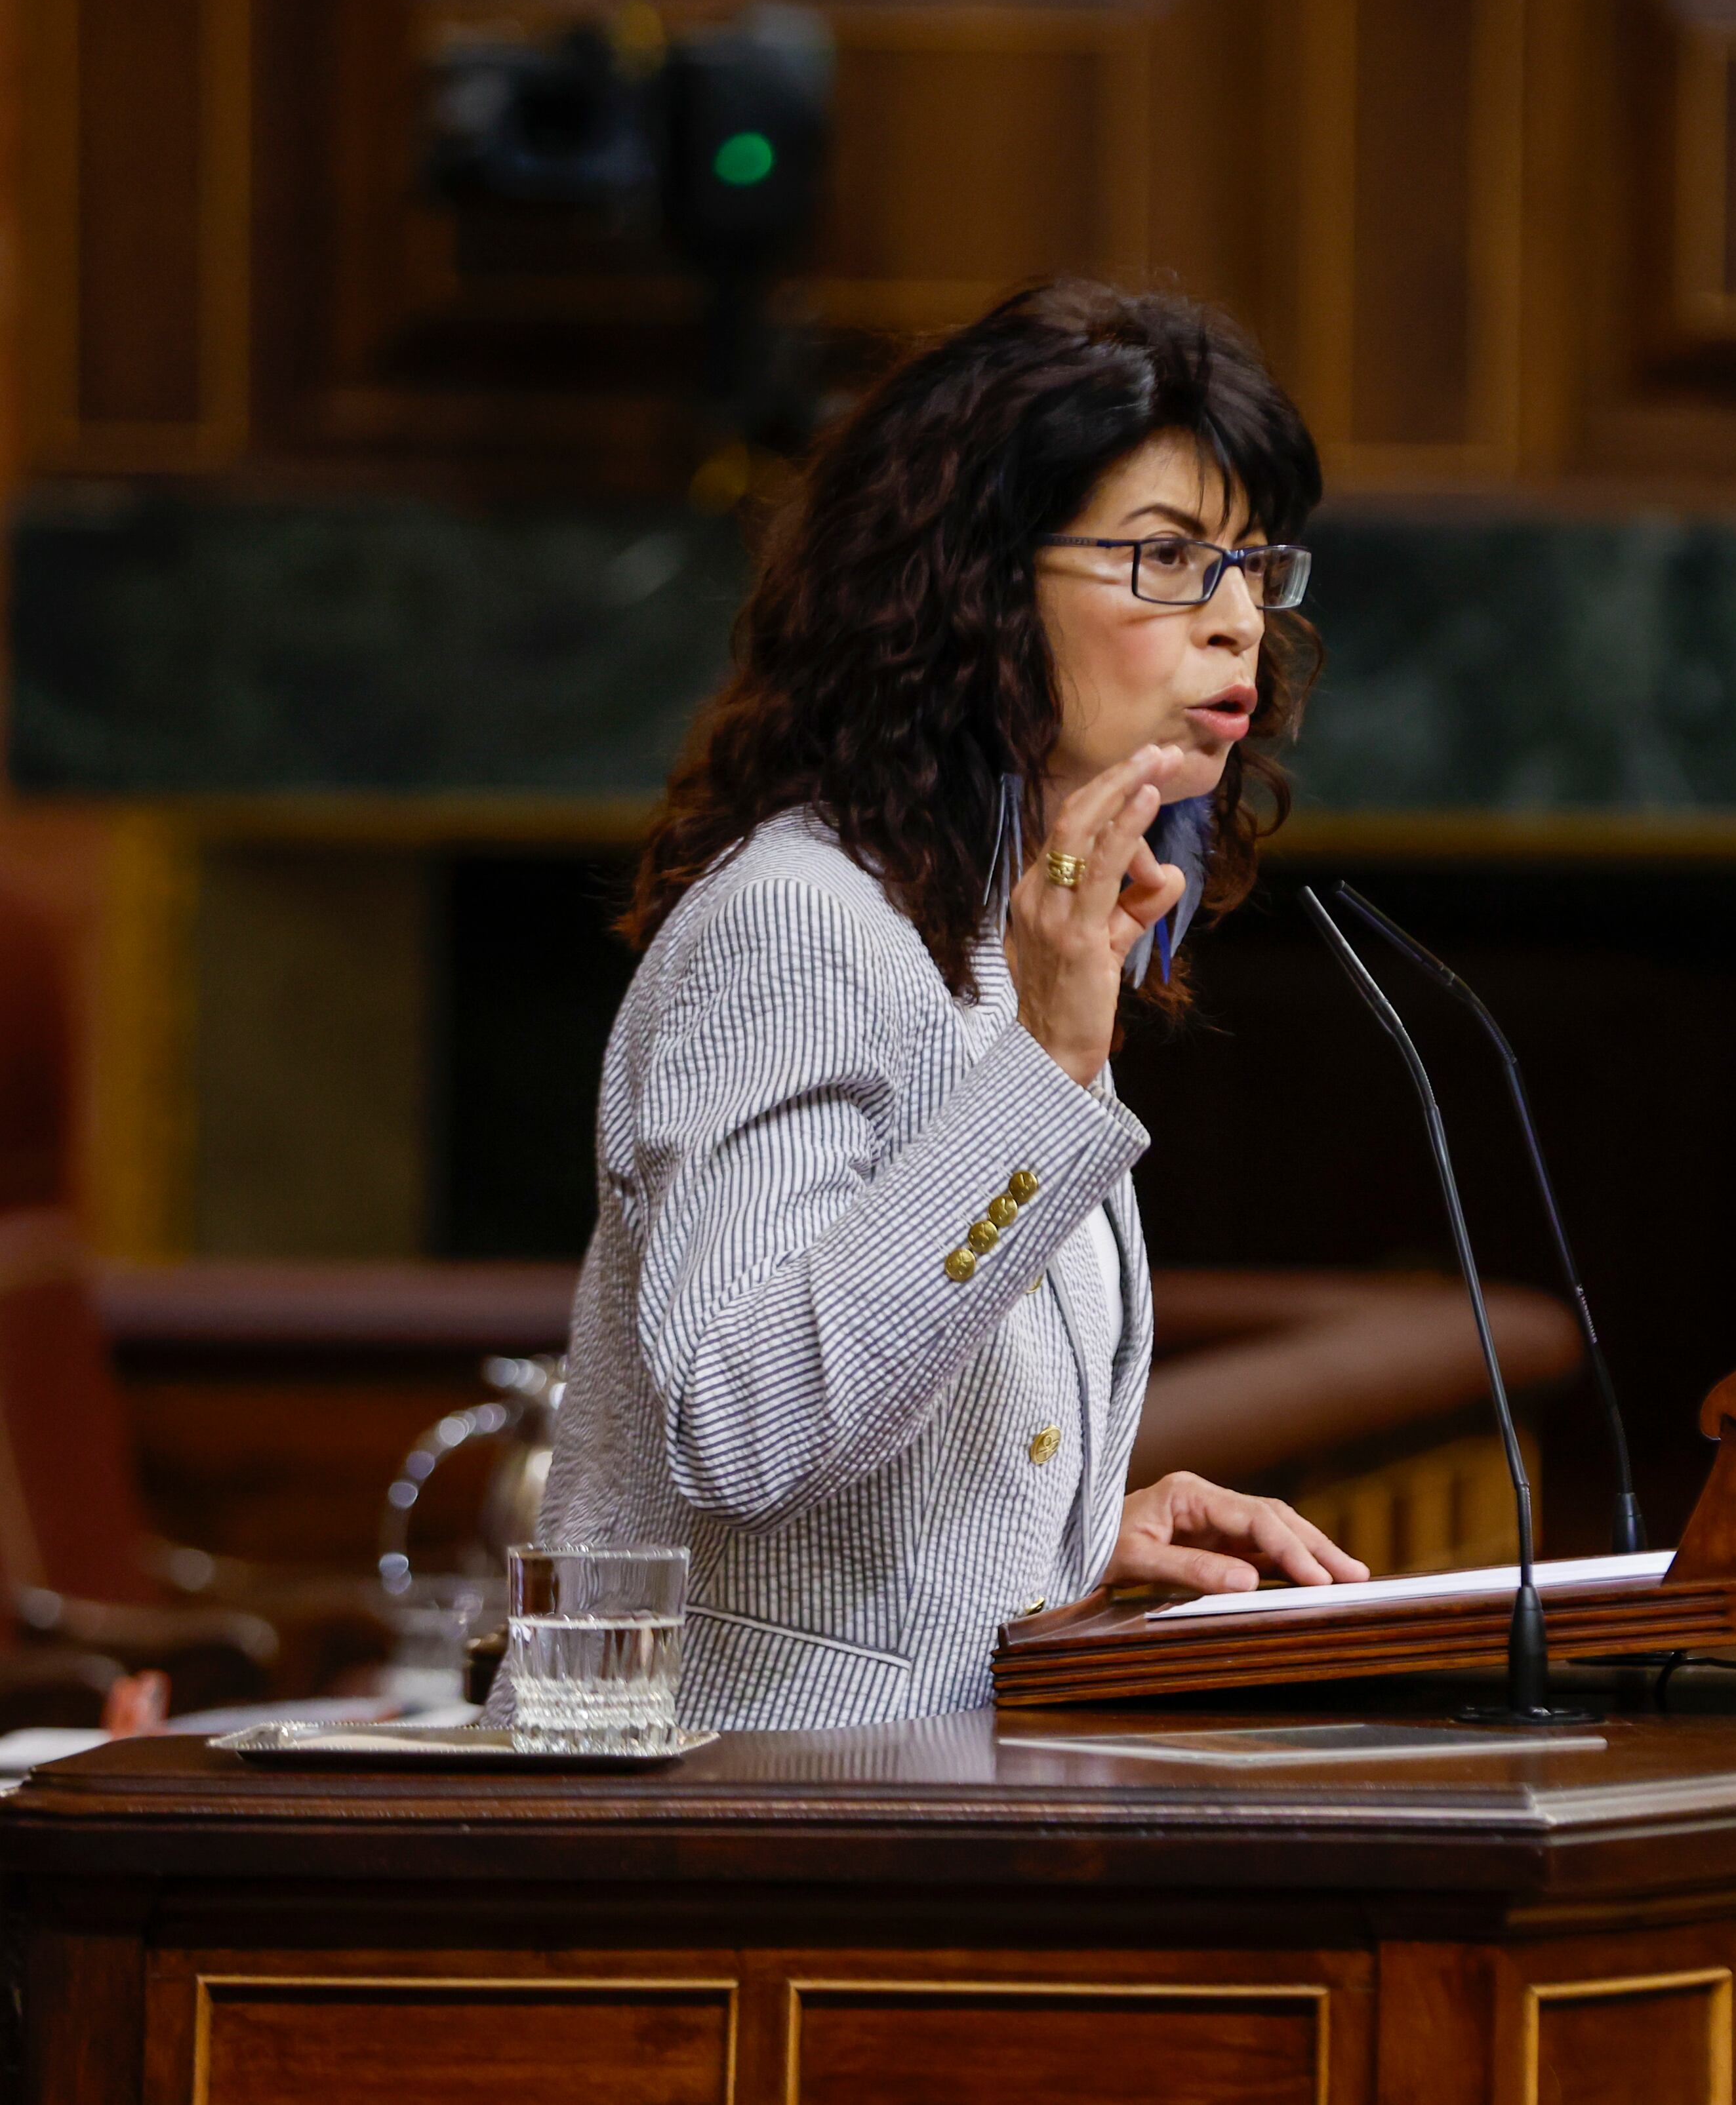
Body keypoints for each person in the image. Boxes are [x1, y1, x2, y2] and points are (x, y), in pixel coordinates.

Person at [527, 281, 1367, 1730]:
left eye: (1248, 564)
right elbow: (741, 1422)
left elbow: (874, 1429)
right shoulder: (797, 920)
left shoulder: (994, 932)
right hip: (730, 1820)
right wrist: (1047, 1068)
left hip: (910, 1807)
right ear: (978, 585)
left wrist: (1061, 1540)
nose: (1239, 621)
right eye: (1169, 557)